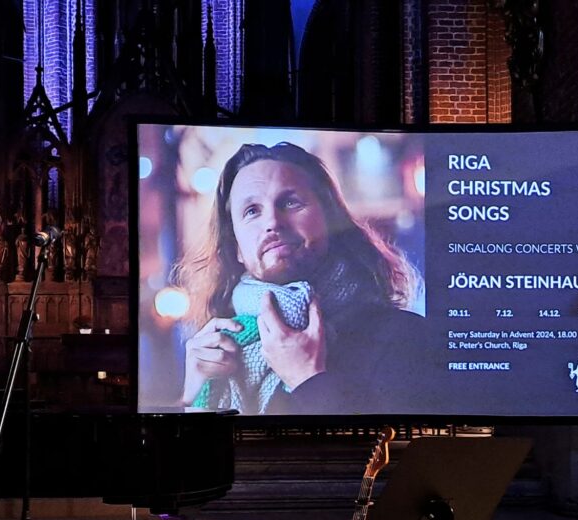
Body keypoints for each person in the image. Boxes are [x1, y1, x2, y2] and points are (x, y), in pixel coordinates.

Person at [174, 141, 431, 416]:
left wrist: (308, 379)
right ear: (236, 247)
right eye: (252, 211)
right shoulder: (218, 347)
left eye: (290, 202)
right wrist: (192, 397)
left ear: (330, 219)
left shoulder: (404, 337)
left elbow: (402, 453)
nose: (272, 221)